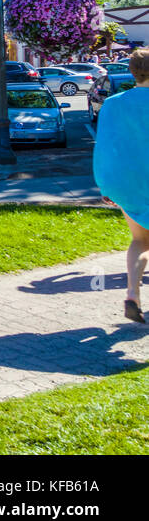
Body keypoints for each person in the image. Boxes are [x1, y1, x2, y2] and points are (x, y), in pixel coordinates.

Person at [93, 48, 149, 323]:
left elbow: (104, 147)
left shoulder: (113, 103)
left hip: (129, 184)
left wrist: (106, 185)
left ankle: (132, 293)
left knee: (140, 241)